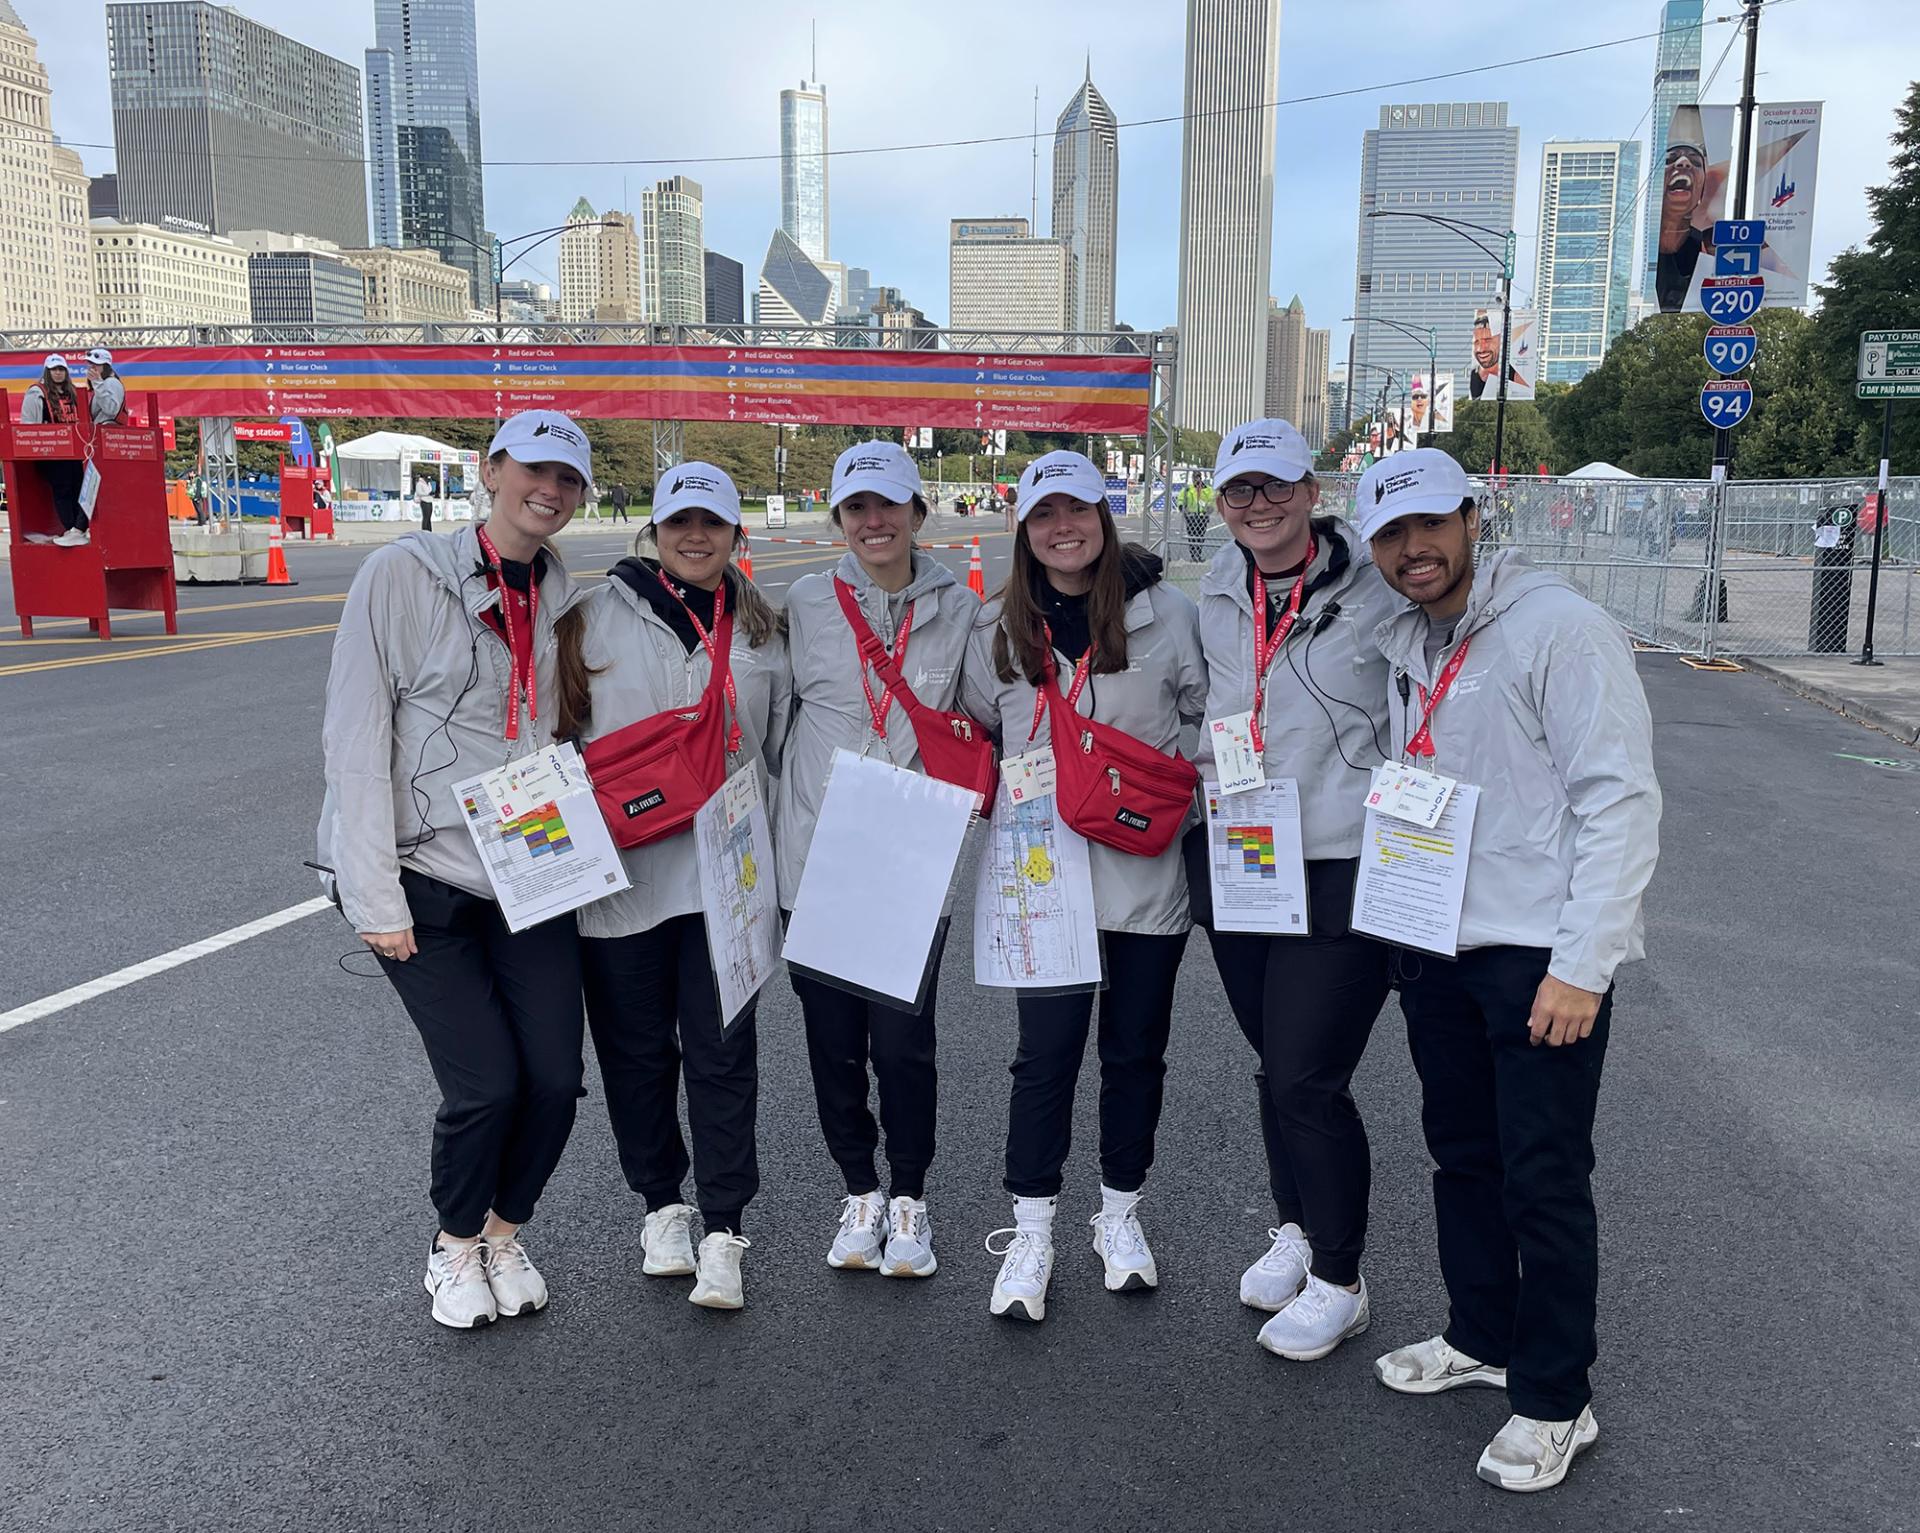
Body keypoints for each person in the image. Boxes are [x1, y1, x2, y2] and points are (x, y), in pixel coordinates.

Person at [1357, 448, 1661, 1493]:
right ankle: (1480, 1335)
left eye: (1431, 526)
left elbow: (1618, 800)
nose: (1414, 550)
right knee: (1463, 1157)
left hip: (1539, 956)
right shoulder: (1412, 635)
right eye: (1391, 535)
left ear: (1474, 520)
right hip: (1440, 943)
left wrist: (1585, 964)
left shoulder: (1557, 628)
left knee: (1542, 1175)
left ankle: (1554, 1394)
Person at [317, 409, 596, 1331]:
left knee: (556, 1079)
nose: (548, 490)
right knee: (485, 1084)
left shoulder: (558, 588)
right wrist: (372, 894)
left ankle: (503, 1230)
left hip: (529, 870)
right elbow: (355, 734)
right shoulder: (399, 576)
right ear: (491, 469)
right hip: (421, 877)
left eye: (568, 478)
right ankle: (452, 1246)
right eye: (533, 469)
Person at [960, 450, 1206, 1324]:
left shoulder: (1166, 613)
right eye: (1044, 514)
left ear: (1105, 516)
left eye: (1081, 509)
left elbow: (1207, 724)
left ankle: (1120, 1215)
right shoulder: (996, 626)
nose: (1064, 527)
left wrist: (1174, 800)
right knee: (1045, 1057)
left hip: (1144, 871)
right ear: (1024, 530)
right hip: (1045, 881)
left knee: (1135, 1053)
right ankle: (1032, 1227)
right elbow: (979, 730)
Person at [1185, 419, 1401, 1361]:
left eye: (1277, 487)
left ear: (1313, 491)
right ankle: (1298, 1225)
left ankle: (1342, 1278)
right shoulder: (1216, 590)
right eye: (1240, 492)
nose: (1259, 505)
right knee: (1276, 1062)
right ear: (1221, 504)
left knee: (1311, 1075)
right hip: (1242, 851)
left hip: (1343, 854)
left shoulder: (1378, 586)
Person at [563, 463, 790, 1311]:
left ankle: (725, 1224)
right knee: (636, 1056)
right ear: (652, 528)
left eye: (713, 523)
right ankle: (662, 1204)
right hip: (623, 888)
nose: (696, 537)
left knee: (726, 1057)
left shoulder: (764, 630)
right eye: (679, 522)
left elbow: (778, 748)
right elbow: (560, 741)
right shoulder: (586, 620)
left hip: (728, 884)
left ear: (737, 533)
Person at [776, 440, 982, 1279]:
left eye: (889, 505)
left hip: (908, 860)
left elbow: (989, 710)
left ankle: (909, 1197)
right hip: (816, 859)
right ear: (838, 518)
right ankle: (857, 1188)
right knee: (833, 1045)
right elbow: (763, 718)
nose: (874, 520)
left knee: (903, 1047)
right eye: (857, 507)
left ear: (917, 515)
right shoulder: (800, 602)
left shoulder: (960, 611)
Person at [19, 354, 91, 545]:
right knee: (63, 489)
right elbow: (28, 424)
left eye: (61, 369)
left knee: (80, 487)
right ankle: (70, 528)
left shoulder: (73, 392)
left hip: (75, 451)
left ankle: (80, 528)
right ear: (47, 371)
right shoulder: (37, 392)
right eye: (54, 370)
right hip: (51, 452)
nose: (58, 373)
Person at [1467, 311, 1527, 401]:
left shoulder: (1515, 377)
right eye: (1477, 342)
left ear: (1501, 341)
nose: (1481, 349)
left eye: (1487, 340)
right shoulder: (1472, 378)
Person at [84, 347, 125, 426]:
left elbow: (111, 410)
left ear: (106, 366)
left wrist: (97, 382)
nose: (92, 367)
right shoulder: (100, 384)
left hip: (109, 433)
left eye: (97, 364)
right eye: (90, 363)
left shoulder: (112, 382)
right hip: (100, 431)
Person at [1180, 476, 1208, 562]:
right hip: (1191, 516)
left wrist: (1209, 509)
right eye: (1194, 478)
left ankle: (1198, 555)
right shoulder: (1188, 489)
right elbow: (1181, 499)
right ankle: (1193, 556)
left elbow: (1211, 499)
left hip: (1202, 517)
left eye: (1198, 477)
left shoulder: (1206, 489)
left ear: (1201, 478)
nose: (1196, 480)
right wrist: (1182, 508)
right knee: (1192, 537)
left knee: (1200, 537)